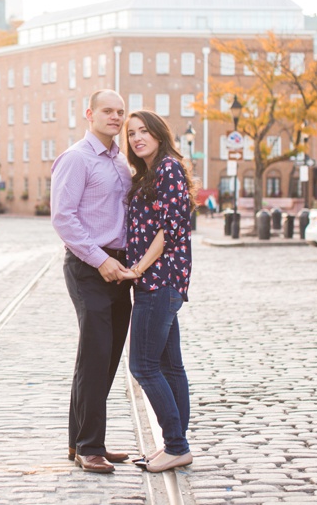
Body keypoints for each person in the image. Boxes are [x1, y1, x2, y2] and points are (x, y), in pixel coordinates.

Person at [51, 89, 137, 474]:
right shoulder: (76, 158)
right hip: (89, 266)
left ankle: (80, 440)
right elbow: (63, 218)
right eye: (107, 110)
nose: (115, 117)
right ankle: (90, 446)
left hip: (119, 269)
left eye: (120, 112)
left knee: (106, 356)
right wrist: (100, 260)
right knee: (96, 353)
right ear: (90, 114)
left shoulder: (121, 163)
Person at [124, 110, 196, 473]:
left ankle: (177, 445)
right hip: (161, 283)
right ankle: (174, 444)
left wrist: (138, 268)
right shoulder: (150, 173)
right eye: (132, 133)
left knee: (143, 365)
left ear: (158, 133)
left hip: (158, 280)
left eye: (144, 131)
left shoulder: (168, 168)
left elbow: (171, 230)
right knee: (170, 367)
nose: (137, 138)